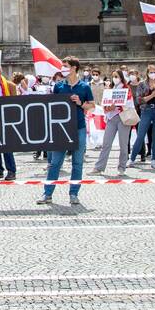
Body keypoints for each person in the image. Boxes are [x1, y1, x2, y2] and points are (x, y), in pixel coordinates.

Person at [39, 57, 94, 206]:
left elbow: (92, 106)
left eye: (65, 66)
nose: (62, 68)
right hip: (61, 129)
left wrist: (80, 103)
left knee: (77, 163)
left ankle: (74, 194)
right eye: (62, 66)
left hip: (79, 127)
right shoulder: (58, 86)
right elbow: (52, 105)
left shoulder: (84, 86)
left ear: (74, 68)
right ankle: (47, 193)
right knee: (55, 162)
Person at [93, 68, 132, 177]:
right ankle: (99, 167)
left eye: (117, 77)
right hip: (111, 118)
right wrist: (109, 107)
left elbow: (129, 103)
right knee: (106, 143)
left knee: (123, 144)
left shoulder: (126, 89)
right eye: (113, 77)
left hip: (123, 118)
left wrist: (119, 105)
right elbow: (105, 105)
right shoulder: (109, 89)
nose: (115, 79)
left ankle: (122, 167)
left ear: (121, 78)